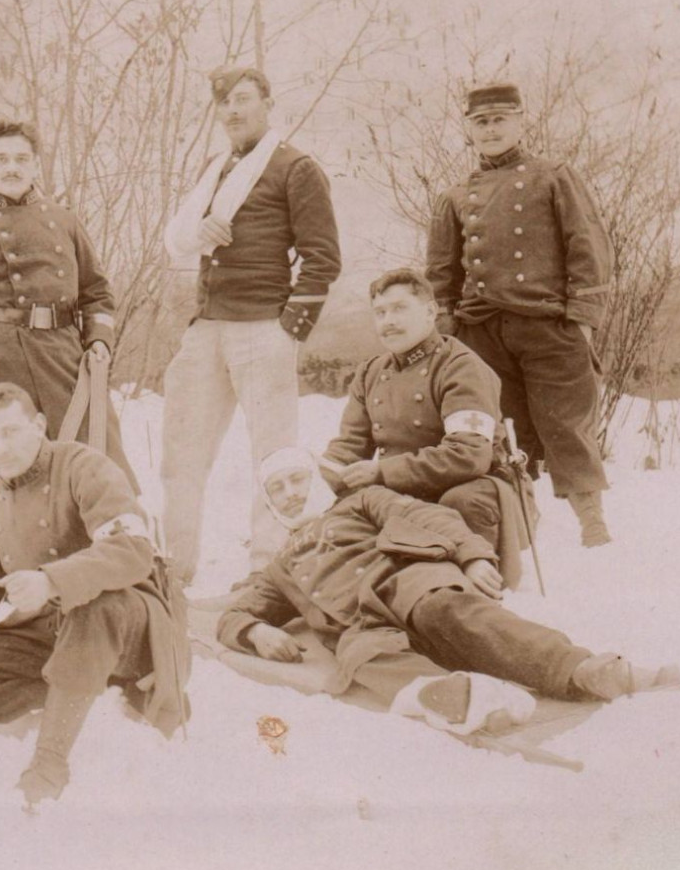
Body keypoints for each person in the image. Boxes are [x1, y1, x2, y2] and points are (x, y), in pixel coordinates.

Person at [0, 383, 189, 807]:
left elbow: (133, 551)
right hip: (48, 629)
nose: (0, 449)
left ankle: (50, 763)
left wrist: (51, 581)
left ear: (39, 425)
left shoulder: (84, 467)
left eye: (10, 432)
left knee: (92, 607)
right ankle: (75, 685)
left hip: (126, 622)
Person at [219, 448, 674, 729]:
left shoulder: (361, 501)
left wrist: (472, 555)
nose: (290, 492)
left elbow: (430, 518)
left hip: (406, 584)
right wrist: (256, 633)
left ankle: (580, 670)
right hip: (361, 624)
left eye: (297, 478)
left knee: (450, 611)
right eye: (276, 489)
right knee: (361, 658)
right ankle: (455, 697)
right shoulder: (278, 567)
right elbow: (236, 613)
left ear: (317, 479)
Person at [161, 65, 342, 585]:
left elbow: (322, 257)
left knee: (275, 457)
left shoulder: (295, 167)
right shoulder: (214, 168)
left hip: (263, 327)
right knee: (182, 450)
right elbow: (185, 237)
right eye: (224, 103)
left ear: (267, 102)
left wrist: (288, 328)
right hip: (206, 328)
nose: (233, 111)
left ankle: (268, 566)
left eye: (243, 99)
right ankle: (177, 565)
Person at [426, 82, 615, 546]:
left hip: (548, 324)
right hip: (482, 332)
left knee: (566, 425)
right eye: (480, 122)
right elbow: (440, 272)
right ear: (468, 130)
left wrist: (583, 318)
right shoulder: (454, 195)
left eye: (499, 120)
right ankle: (518, 530)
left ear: (519, 121)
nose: (490, 130)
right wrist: (449, 326)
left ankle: (593, 524)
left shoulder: (553, 176)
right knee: (502, 436)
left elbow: (587, 247)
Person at [0, 119, 135, 520]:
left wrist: (98, 341)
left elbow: (97, 292)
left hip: (64, 354)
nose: (12, 168)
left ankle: (106, 547)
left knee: (93, 454)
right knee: (9, 464)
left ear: (36, 165)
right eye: (1, 159)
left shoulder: (66, 221)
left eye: (21, 159)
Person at [319, 268, 509, 546]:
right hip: (401, 490)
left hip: (470, 488)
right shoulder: (369, 373)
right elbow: (349, 446)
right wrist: (313, 481)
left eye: (399, 309)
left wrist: (382, 472)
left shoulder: (461, 367)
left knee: (461, 501)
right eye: (380, 313)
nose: (389, 321)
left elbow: (469, 455)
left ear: (430, 312)